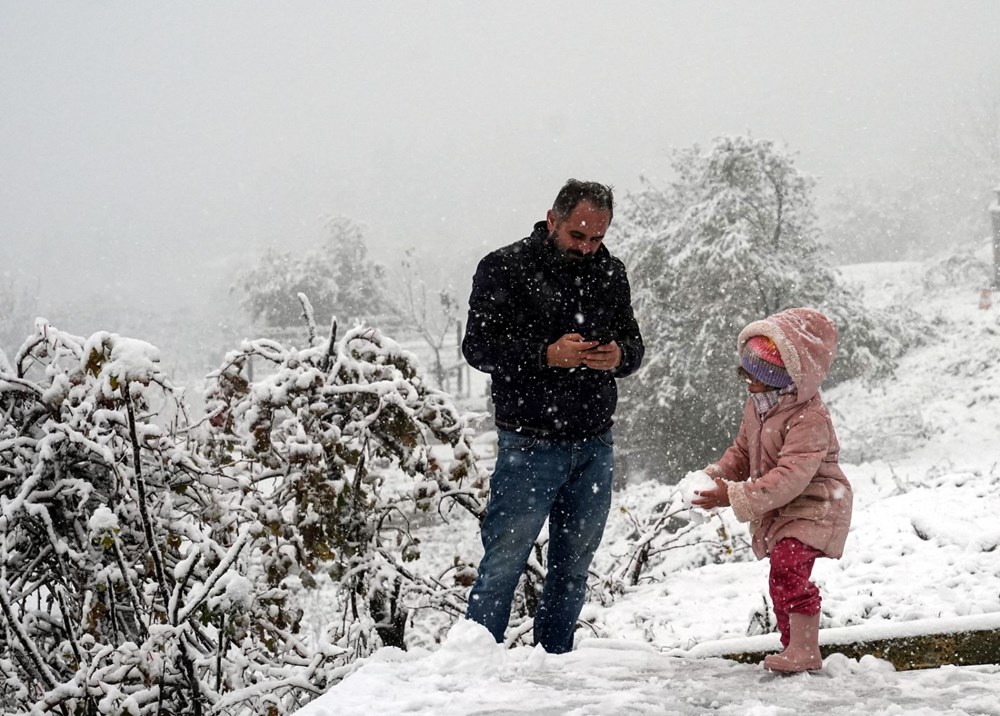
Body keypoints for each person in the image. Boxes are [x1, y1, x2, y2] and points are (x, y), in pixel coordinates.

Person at [462, 179, 645, 654]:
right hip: (528, 441)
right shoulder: (504, 268)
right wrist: (545, 355)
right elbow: (478, 348)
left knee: (573, 569)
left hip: (594, 444)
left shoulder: (611, 273)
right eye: (577, 236)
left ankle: (554, 669)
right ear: (552, 220)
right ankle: (471, 675)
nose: (587, 248)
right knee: (503, 563)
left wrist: (617, 356)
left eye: (597, 238)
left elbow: (635, 348)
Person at [692, 307, 852, 673]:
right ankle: (793, 647)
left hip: (816, 503)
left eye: (758, 377)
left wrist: (732, 496)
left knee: (788, 567)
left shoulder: (809, 417)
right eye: (745, 374)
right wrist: (716, 474)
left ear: (785, 377)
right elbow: (743, 452)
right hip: (784, 505)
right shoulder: (758, 405)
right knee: (781, 574)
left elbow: (791, 477)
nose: (749, 383)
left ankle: (805, 650)